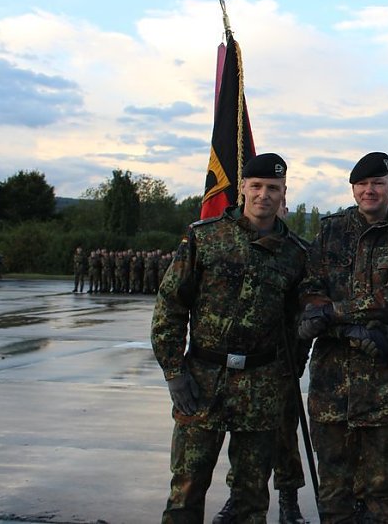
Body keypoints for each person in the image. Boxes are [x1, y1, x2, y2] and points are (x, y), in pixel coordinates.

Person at [151, 153, 308, 523]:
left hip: (261, 385)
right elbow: (170, 307)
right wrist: (174, 372)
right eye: (256, 187)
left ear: (284, 192)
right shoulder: (205, 238)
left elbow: (298, 325)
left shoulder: (296, 254)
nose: (263, 195)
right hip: (203, 379)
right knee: (187, 487)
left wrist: (288, 375)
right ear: (242, 189)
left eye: (273, 188)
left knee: (252, 496)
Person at [298, 151, 388, 523]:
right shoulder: (331, 231)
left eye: (378, 183)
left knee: (387, 496)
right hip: (332, 390)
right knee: (334, 495)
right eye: (362, 184)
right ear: (353, 188)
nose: (369, 190)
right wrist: (340, 323)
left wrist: (333, 315)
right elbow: (310, 289)